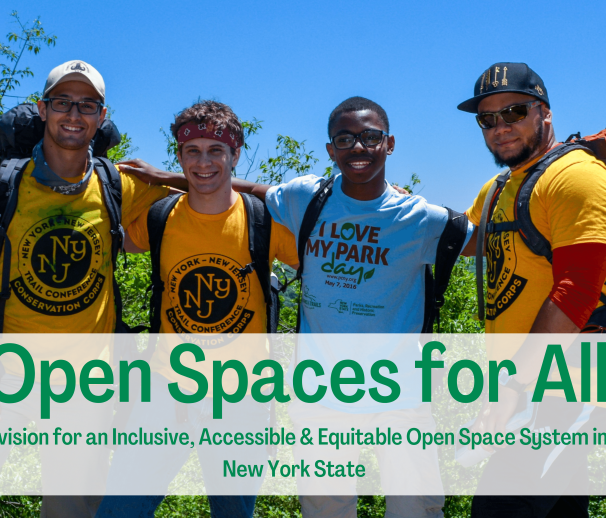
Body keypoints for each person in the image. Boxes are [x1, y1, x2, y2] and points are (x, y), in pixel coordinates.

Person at [229, 96, 473, 518]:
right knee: (326, 507)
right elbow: (240, 189)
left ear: (389, 143)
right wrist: (164, 178)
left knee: (415, 507)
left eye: (370, 137)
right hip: (320, 390)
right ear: (331, 150)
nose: (358, 147)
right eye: (345, 138)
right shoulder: (309, 197)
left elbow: (492, 240)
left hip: (400, 392)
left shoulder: (419, 217)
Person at [0, 60, 175, 517]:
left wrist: (167, 177)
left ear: (102, 116)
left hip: (86, 388)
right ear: (43, 109)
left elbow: (213, 192)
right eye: (63, 102)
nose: (74, 114)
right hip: (5, 378)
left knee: (71, 510)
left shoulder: (120, 185)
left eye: (87, 104)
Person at [95, 100, 299, 518]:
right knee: (119, 510)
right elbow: (95, 238)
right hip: (165, 392)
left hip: (242, 398)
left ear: (235, 154)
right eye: (192, 151)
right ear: (179, 155)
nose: (203, 162)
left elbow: (335, 258)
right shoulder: (160, 218)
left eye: (215, 151)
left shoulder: (265, 223)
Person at [459, 62, 606, 517]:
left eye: (514, 112)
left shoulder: (575, 177)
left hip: (562, 386)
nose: (499, 128)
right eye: (487, 119)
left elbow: (578, 289)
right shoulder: (500, 186)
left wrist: (515, 388)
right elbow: (465, 241)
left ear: (543, 112)